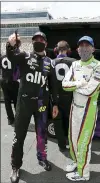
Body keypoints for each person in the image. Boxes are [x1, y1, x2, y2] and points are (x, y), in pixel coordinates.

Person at [6, 31, 59, 183]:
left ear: (46, 43)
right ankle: (16, 166)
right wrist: (10, 44)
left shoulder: (50, 62)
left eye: (41, 39)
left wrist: (55, 103)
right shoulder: (25, 56)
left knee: (42, 134)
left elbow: (53, 85)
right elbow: (11, 56)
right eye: (35, 39)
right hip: (24, 103)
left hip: (41, 104)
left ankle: (42, 158)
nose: (38, 41)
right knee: (19, 135)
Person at [62, 36, 100, 181]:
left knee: (83, 142)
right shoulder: (75, 64)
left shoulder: (99, 66)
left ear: (93, 48)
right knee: (72, 139)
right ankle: (76, 162)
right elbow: (64, 85)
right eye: (81, 45)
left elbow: (90, 91)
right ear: (77, 49)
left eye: (87, 45)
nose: (84, 48)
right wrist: (81, 83)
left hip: (88, 111)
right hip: (74, 108)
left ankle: (83, 174)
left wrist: (74, 85)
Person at [53, 41, 76, 152]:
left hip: (55, 98)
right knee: (69, 120)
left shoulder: (52, 62)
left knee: (57, 122)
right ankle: (70, 142)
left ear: (56, 50)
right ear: (68, 50)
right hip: (70, 96)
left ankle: (61, 145)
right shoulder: (74, 62)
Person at [0, 48, 20, 125]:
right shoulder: (15, 56)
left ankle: (10, 119)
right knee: (16, 100)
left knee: (7, 101)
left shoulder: (2, 57)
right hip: (13, 80)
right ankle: (18, 118)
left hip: (4, 79)